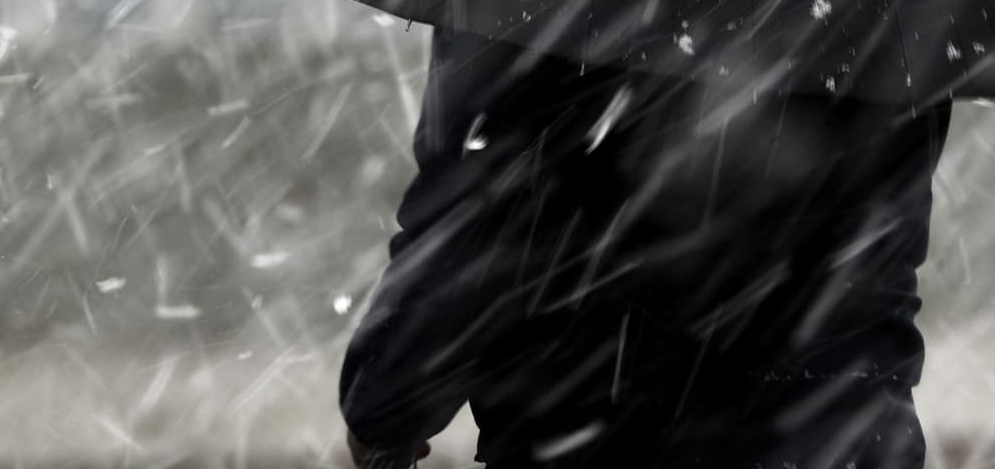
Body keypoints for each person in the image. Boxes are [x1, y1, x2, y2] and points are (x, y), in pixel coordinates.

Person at [340, 25, 953, 469]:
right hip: (837, 435)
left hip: (600, 429)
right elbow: (883, 253)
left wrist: (388, 399)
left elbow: (478, 213)